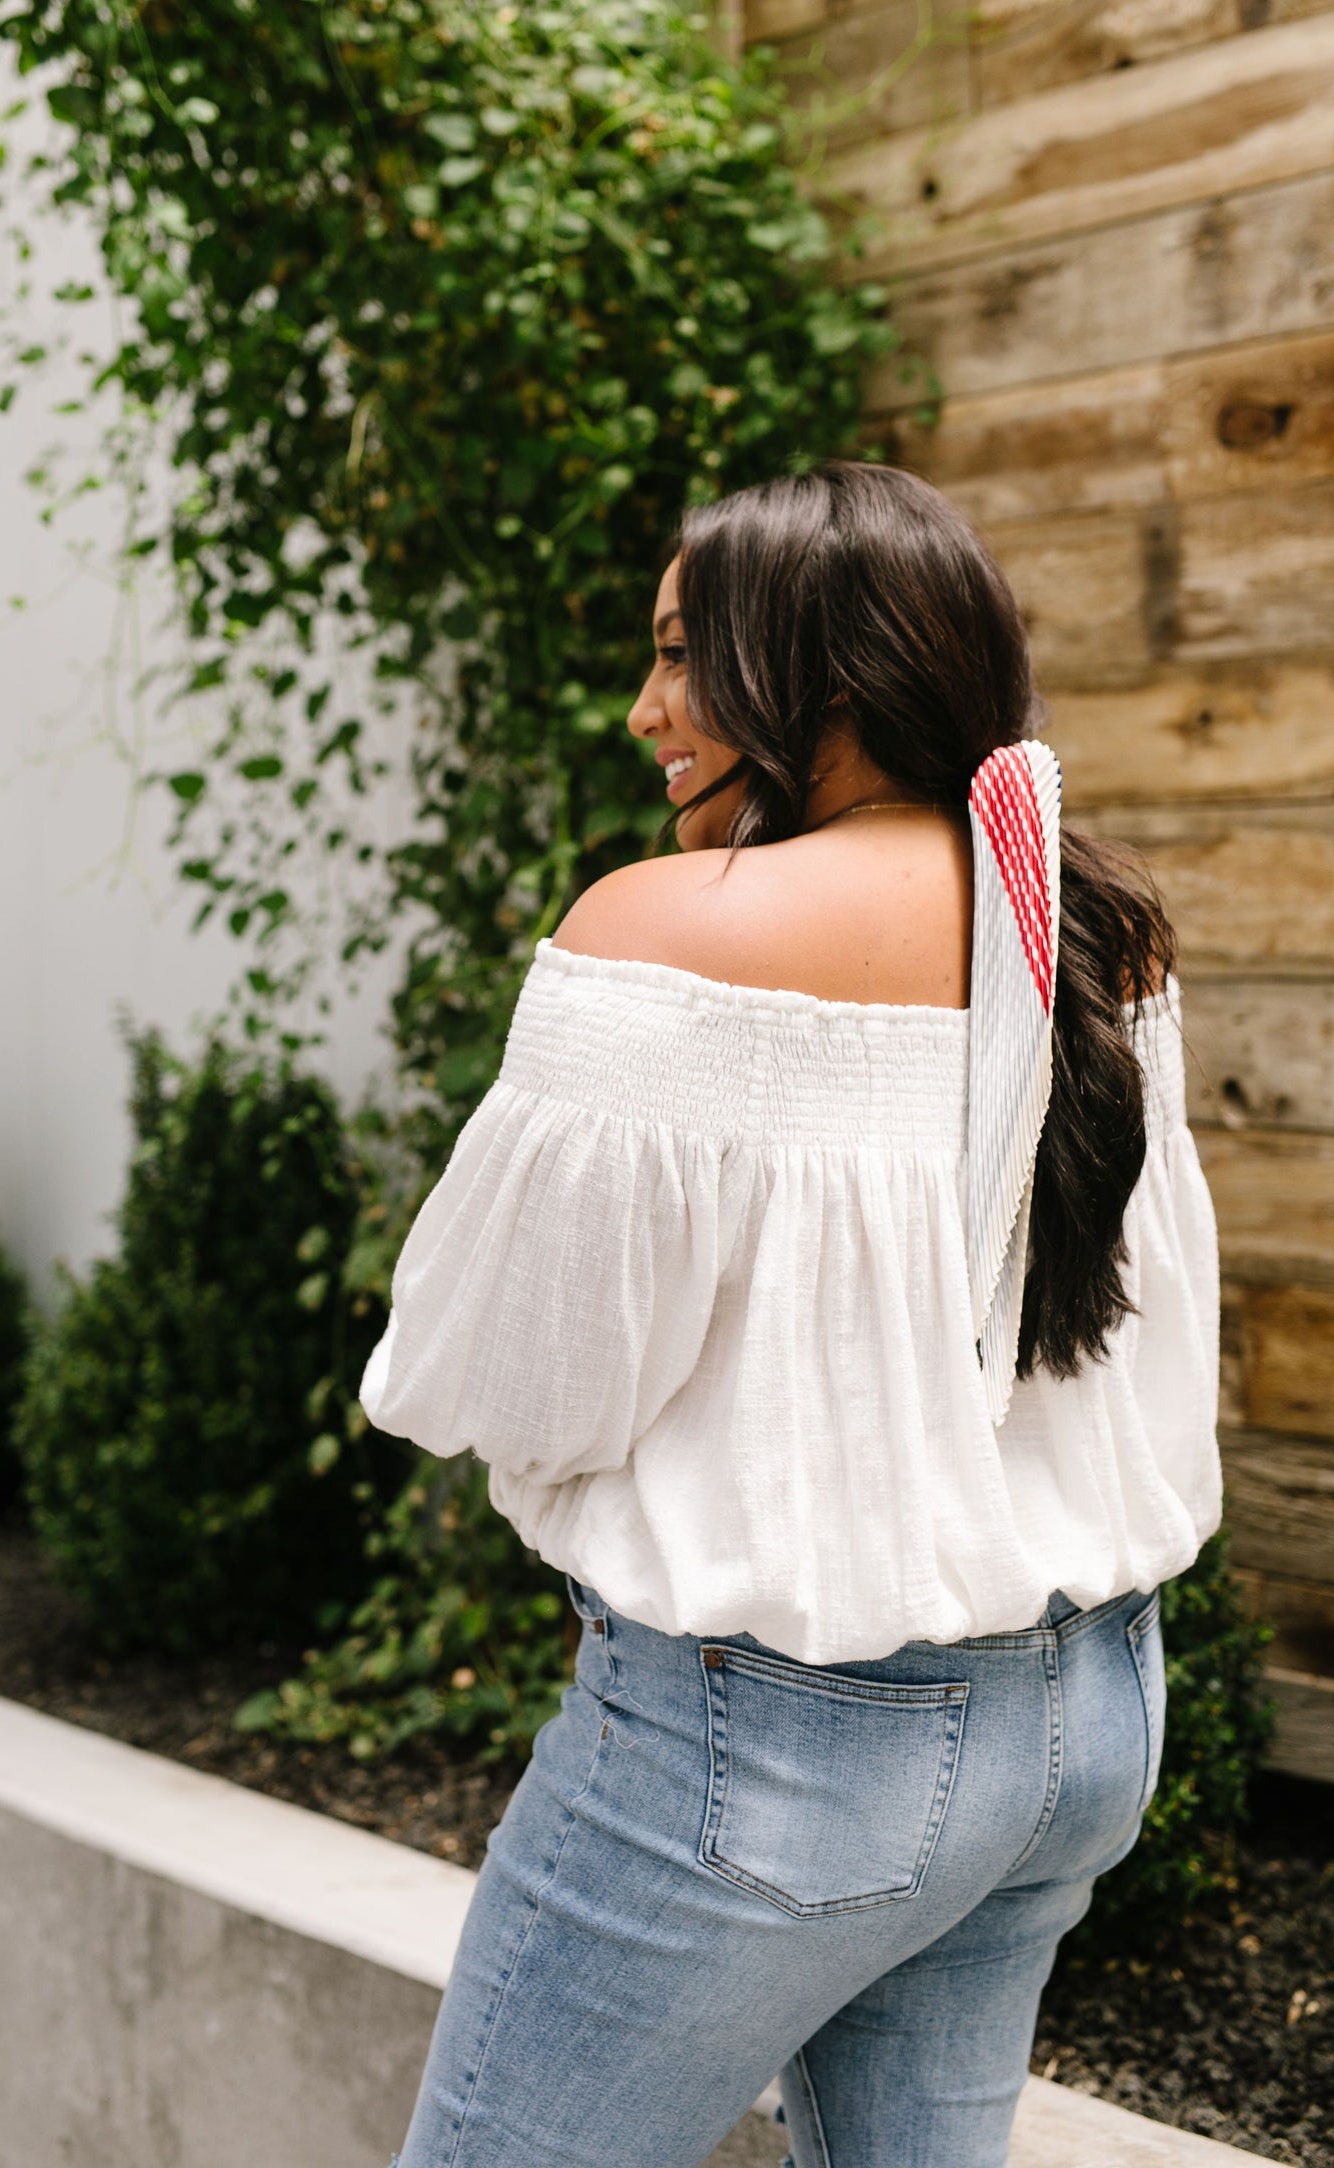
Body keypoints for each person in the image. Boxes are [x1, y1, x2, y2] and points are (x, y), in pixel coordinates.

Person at [358, 461, 1221, 2168]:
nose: (642, 710)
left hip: (774, 1758)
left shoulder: (670, 935)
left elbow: (507, 1375)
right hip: (1082, 1721)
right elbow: (1145, 1331)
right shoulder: (1088, 942)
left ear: (819, 678)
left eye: (684, 656)